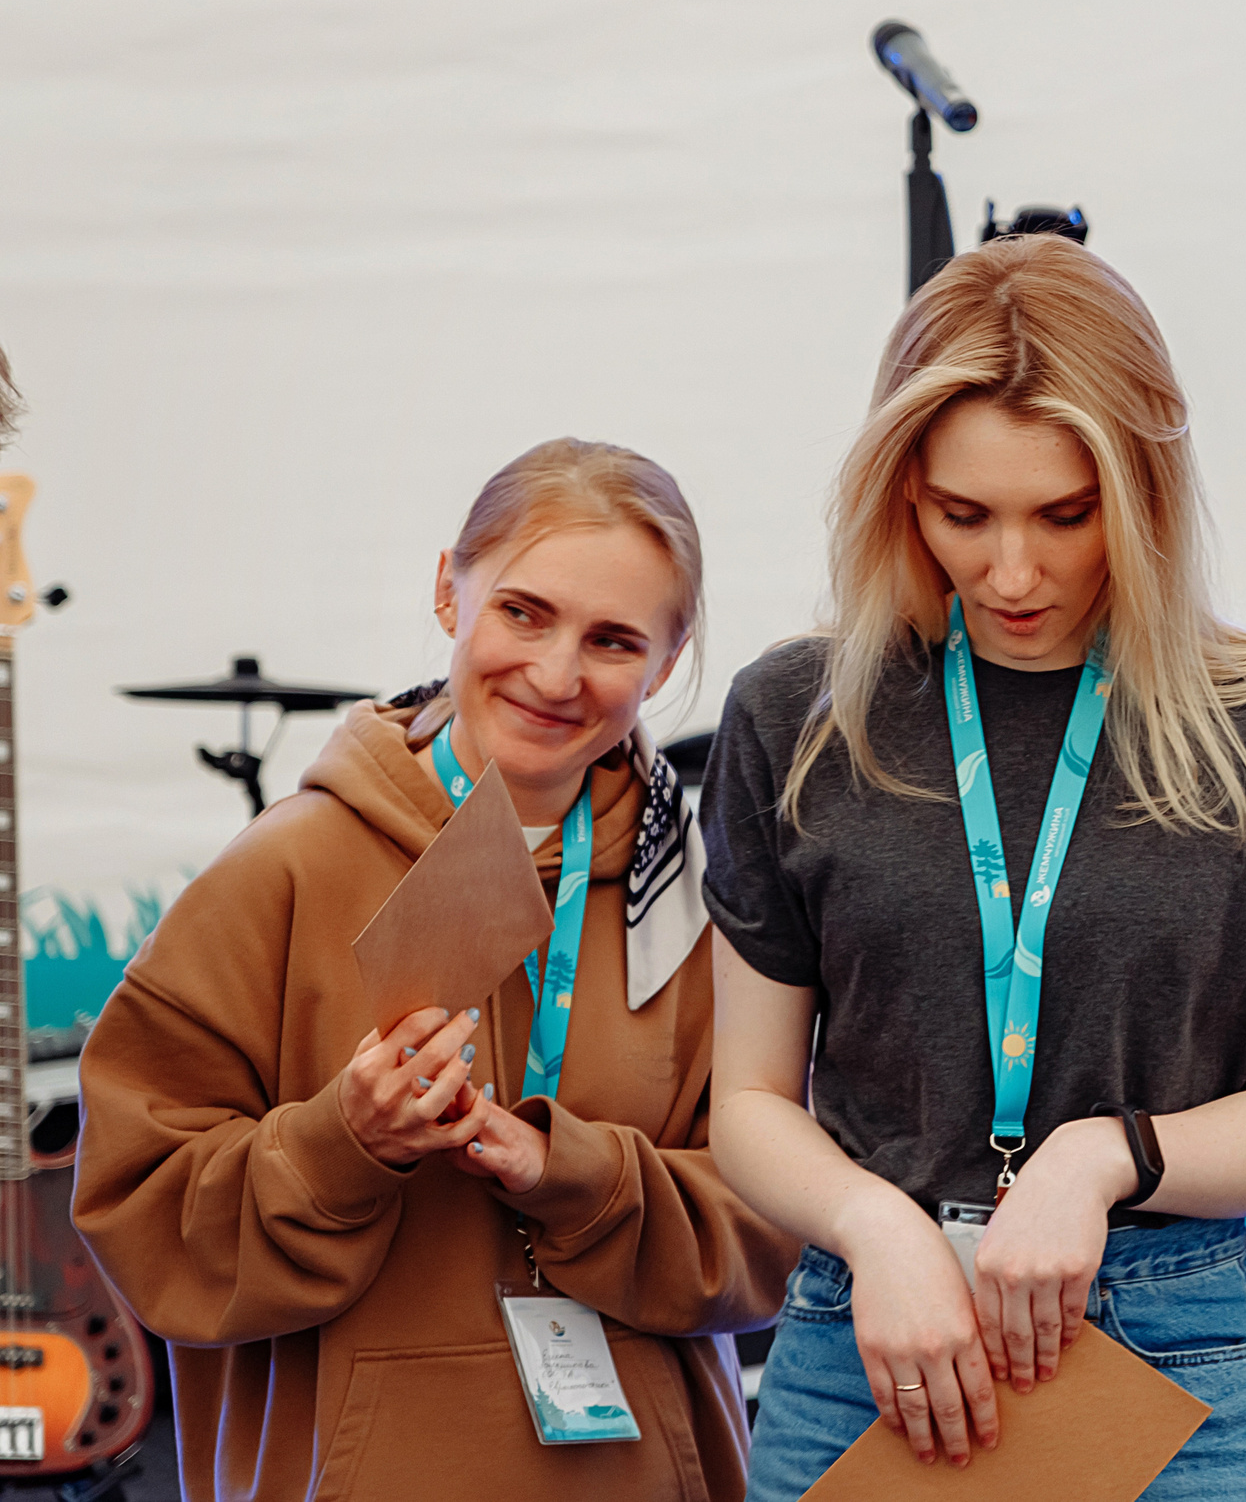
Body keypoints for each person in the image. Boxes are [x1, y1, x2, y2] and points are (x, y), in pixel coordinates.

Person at [702, 234, 1246, 1501]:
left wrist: (1095, 1158)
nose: (1012, 573)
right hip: (869, 1332)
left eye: (1066, 517)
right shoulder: (797, 713)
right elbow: (745, 1101)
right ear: (900, 489)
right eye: (963, 515)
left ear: (1144, 494)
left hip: (1160, 1332)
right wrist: (876, 1229)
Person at [74, 439, 796, 1501]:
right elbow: (137, 1210)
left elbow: (773, 1231)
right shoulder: (286, 867)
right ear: (448, 590)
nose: (555, 675)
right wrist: (342, 1146)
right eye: (523, 612)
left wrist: (576, 1176)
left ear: (669, 659)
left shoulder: (700, 892)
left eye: (611, 639)